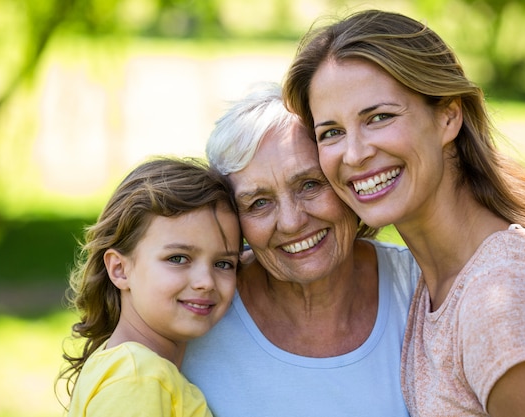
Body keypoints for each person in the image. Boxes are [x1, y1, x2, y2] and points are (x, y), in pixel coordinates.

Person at [283, 9, 525, 417]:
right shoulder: (434, 281)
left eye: (379, 118)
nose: (355, 154)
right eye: (332, 133)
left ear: (448, 116)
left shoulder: (504, 301)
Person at [180, 83, 420, 417]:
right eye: (259, 203)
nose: (292, 222)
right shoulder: (196, 311)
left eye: (309, 185)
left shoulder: (422, 291)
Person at [58, 157, 242, 416]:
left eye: (223, 263)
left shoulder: (132, 368)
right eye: (177, 258)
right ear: (120, 270)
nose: (206, 282)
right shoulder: (137, 378)